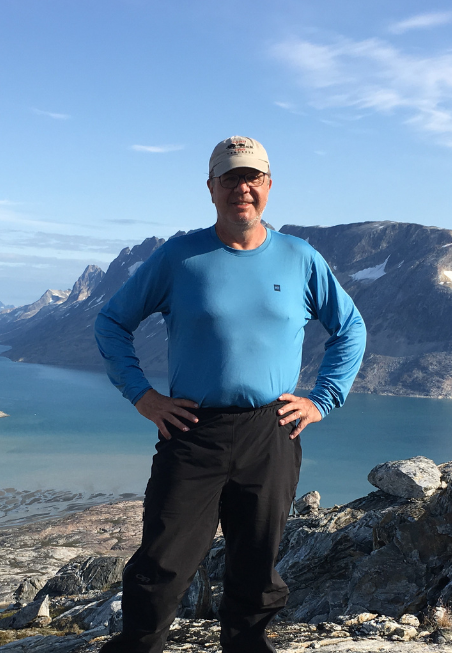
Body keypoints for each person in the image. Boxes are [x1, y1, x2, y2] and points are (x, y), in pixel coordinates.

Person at [93, 136, 366, 653]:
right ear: (211, 188)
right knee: (163, 559)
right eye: (230, 178)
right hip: (193, 429)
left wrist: (323, 398)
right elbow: (111, 323)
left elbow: (350, 329)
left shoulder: (299, 258)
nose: (242, 187)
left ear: (267, 186)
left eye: (252, 178)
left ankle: (247, 647)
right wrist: (144, 397)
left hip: (273, 429)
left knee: (257, 559)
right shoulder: (179, 256)